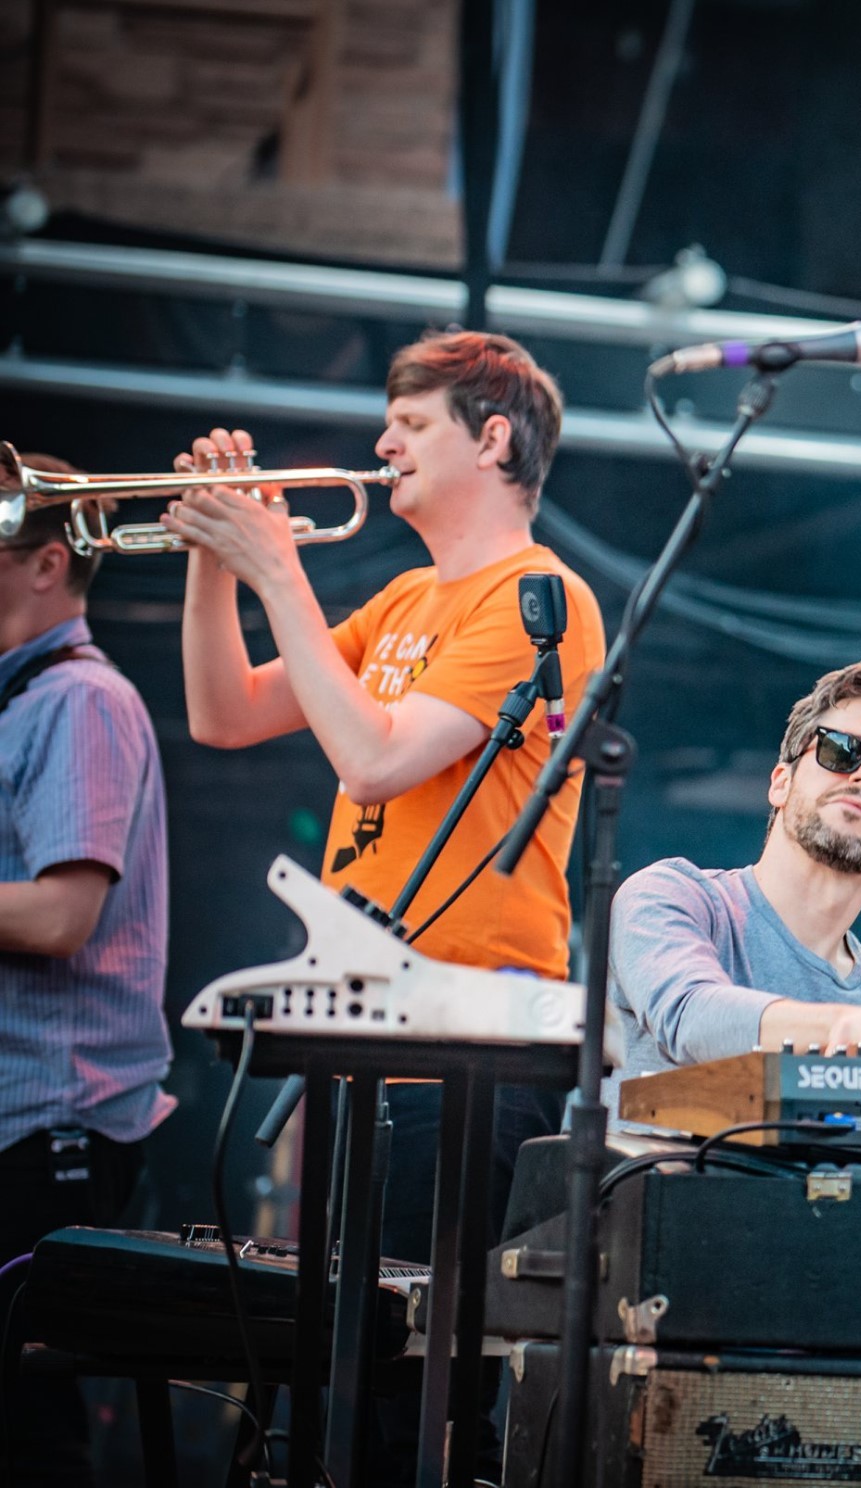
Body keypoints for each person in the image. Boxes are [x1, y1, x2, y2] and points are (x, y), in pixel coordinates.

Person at [162, 330, 604, 1480]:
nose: (381, 444)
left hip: (469, 1043)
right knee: (338, 1382)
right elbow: (222, 711)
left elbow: (370, 757)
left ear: (491, 436)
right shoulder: (408, 596)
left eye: (408, 424)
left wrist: (275, 566)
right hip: (371, 1029)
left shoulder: (537, 597)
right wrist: (218, 547)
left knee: (407, 1396)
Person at [0, 460, 173, 1485]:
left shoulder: (82, 701)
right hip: (22, 1115)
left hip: (48, 1125)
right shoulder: (26, 702)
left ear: (47, 563)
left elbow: (65, 915)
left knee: (24, 1430)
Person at [606, 660, 861, 1121]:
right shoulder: (672, 896)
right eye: (842, 750)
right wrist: (838, 1026)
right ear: (781, 783)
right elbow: (690, 1016)